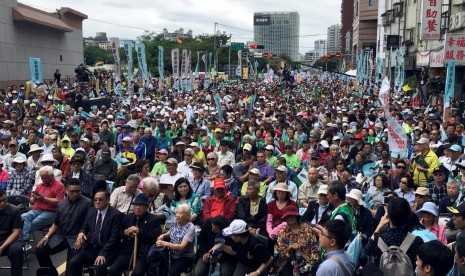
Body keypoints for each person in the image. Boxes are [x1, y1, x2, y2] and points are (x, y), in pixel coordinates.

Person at [35, 178, 91, 276]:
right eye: (72, 191)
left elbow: (89, 224)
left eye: (78, 191)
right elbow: (56, 224)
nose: (75, 194)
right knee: (40, 251)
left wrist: (83, 235)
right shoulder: (61, 204)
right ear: (66, 190)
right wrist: (47, 236)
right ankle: (52, 273)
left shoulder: (87, 203)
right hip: (60, 236)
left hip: (76, 238)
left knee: (73, 265)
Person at [68, 189, 124, 276]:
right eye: (95, 199)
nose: (97, 202)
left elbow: (115, 238)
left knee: (99, 267)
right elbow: (84, 227)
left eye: (100, 199)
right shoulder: (91, 211)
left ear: (108, 200)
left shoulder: (116, 215)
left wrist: (103, 254)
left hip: (108, 250)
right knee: (73, 262)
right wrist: (81, 233)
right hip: (91, 248)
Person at [108, 193, 162, 276]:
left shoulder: (154, 219)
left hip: (143, 253)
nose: (137, 207)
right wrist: (126, 232)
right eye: (135, 205)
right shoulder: (128, 217)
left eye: (140, 205)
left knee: (137, 273)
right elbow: (119, 231)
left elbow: (153, 237)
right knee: (113, 270)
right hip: (127, 251)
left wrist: (139, 231)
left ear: (147, 207)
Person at [368, 197, 424, 268]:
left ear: (388, 215)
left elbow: (368, 250)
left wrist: (380, 225)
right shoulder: (417, 241)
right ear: (408, 215)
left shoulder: (376, 239)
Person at [209, 219, 273, 276]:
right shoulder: (237, 241)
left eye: (232, 235)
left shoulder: (255, 244)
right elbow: (234, 251)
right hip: (243, 263)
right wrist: (221, 246)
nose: (230, 237)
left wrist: (257, 272)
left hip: (258, 267)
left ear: (239, 236)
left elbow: (269, 259)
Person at [21, 166, 65, 242]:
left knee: (30, 224)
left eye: (45, 178)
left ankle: (24, 241)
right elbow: (31, 202)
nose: (43, 180)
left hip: (51, 212)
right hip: (36, 210)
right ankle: (24, 241)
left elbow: (59, 201)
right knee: (22, 217)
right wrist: (34, 198)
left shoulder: (59, 186)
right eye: (42, 178)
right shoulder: (39, 185)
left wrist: (44, 199)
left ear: (52, 176)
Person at [152, 204, 196, 276]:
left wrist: (164, 243)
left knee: (172, 273)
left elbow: (182, 246)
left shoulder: (190, 228)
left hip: (185, 256)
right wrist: (163, 235)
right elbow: (170, 232)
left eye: (180, 213)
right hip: (172, 253)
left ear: (187, 216)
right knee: (161, 267)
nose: (177, 215)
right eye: (177, 212)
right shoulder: (174, 220)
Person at [275, 206, 320, 275]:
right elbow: (281, 253)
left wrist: (311, 263)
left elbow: (314, 248)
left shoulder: (307, 230)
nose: (290, 218)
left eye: (292, 216)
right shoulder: (282, 233)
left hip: (307, 262)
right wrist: (290, 247)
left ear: (296, 216)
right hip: (289, 263)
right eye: (288, 216)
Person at [0, 188, 25, 276]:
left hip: (11, 239)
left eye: (4, 200)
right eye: (0, 201)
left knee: (17, 250)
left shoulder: (14, 210)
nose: (3, 203)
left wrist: (2, 247)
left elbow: (16, 232)